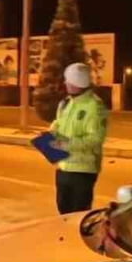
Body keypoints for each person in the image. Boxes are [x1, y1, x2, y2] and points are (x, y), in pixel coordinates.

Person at [51, 62, 108, 214]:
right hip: (63, 168)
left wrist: (66, 145)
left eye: (68, 80)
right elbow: (59, 123)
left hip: (83, 172)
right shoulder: (67, 103)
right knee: (63, 216)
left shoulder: (94, 106)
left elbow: (95, 139)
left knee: (78, 216)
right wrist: (52, 132)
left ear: (77, 82)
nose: (65, 83)